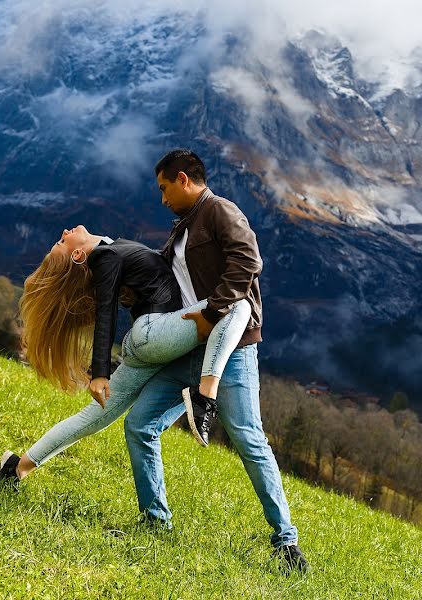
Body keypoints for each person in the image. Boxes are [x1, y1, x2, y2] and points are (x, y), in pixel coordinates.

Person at [122, 149, 309, 573]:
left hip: (234, 348)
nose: (162, 198)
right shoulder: (180, 229)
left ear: (184, 179)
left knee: (247, 438)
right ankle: (156, 522)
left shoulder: (221, 212)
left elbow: (248, 262)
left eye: (164, 188)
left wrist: (211, 314)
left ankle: (286, 542)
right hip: (188, 348)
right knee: (140, 424)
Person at [0, 224, 252, 485]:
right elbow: (106, 314)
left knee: (92, 419)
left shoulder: (111, 249)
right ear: (78, 255)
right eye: (62, 242)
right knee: (236, 303)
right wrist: (100, 373)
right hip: (153, 335)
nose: (64, 233)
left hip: (151, 340)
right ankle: (204, 397)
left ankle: (16, 469)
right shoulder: (104, 256)